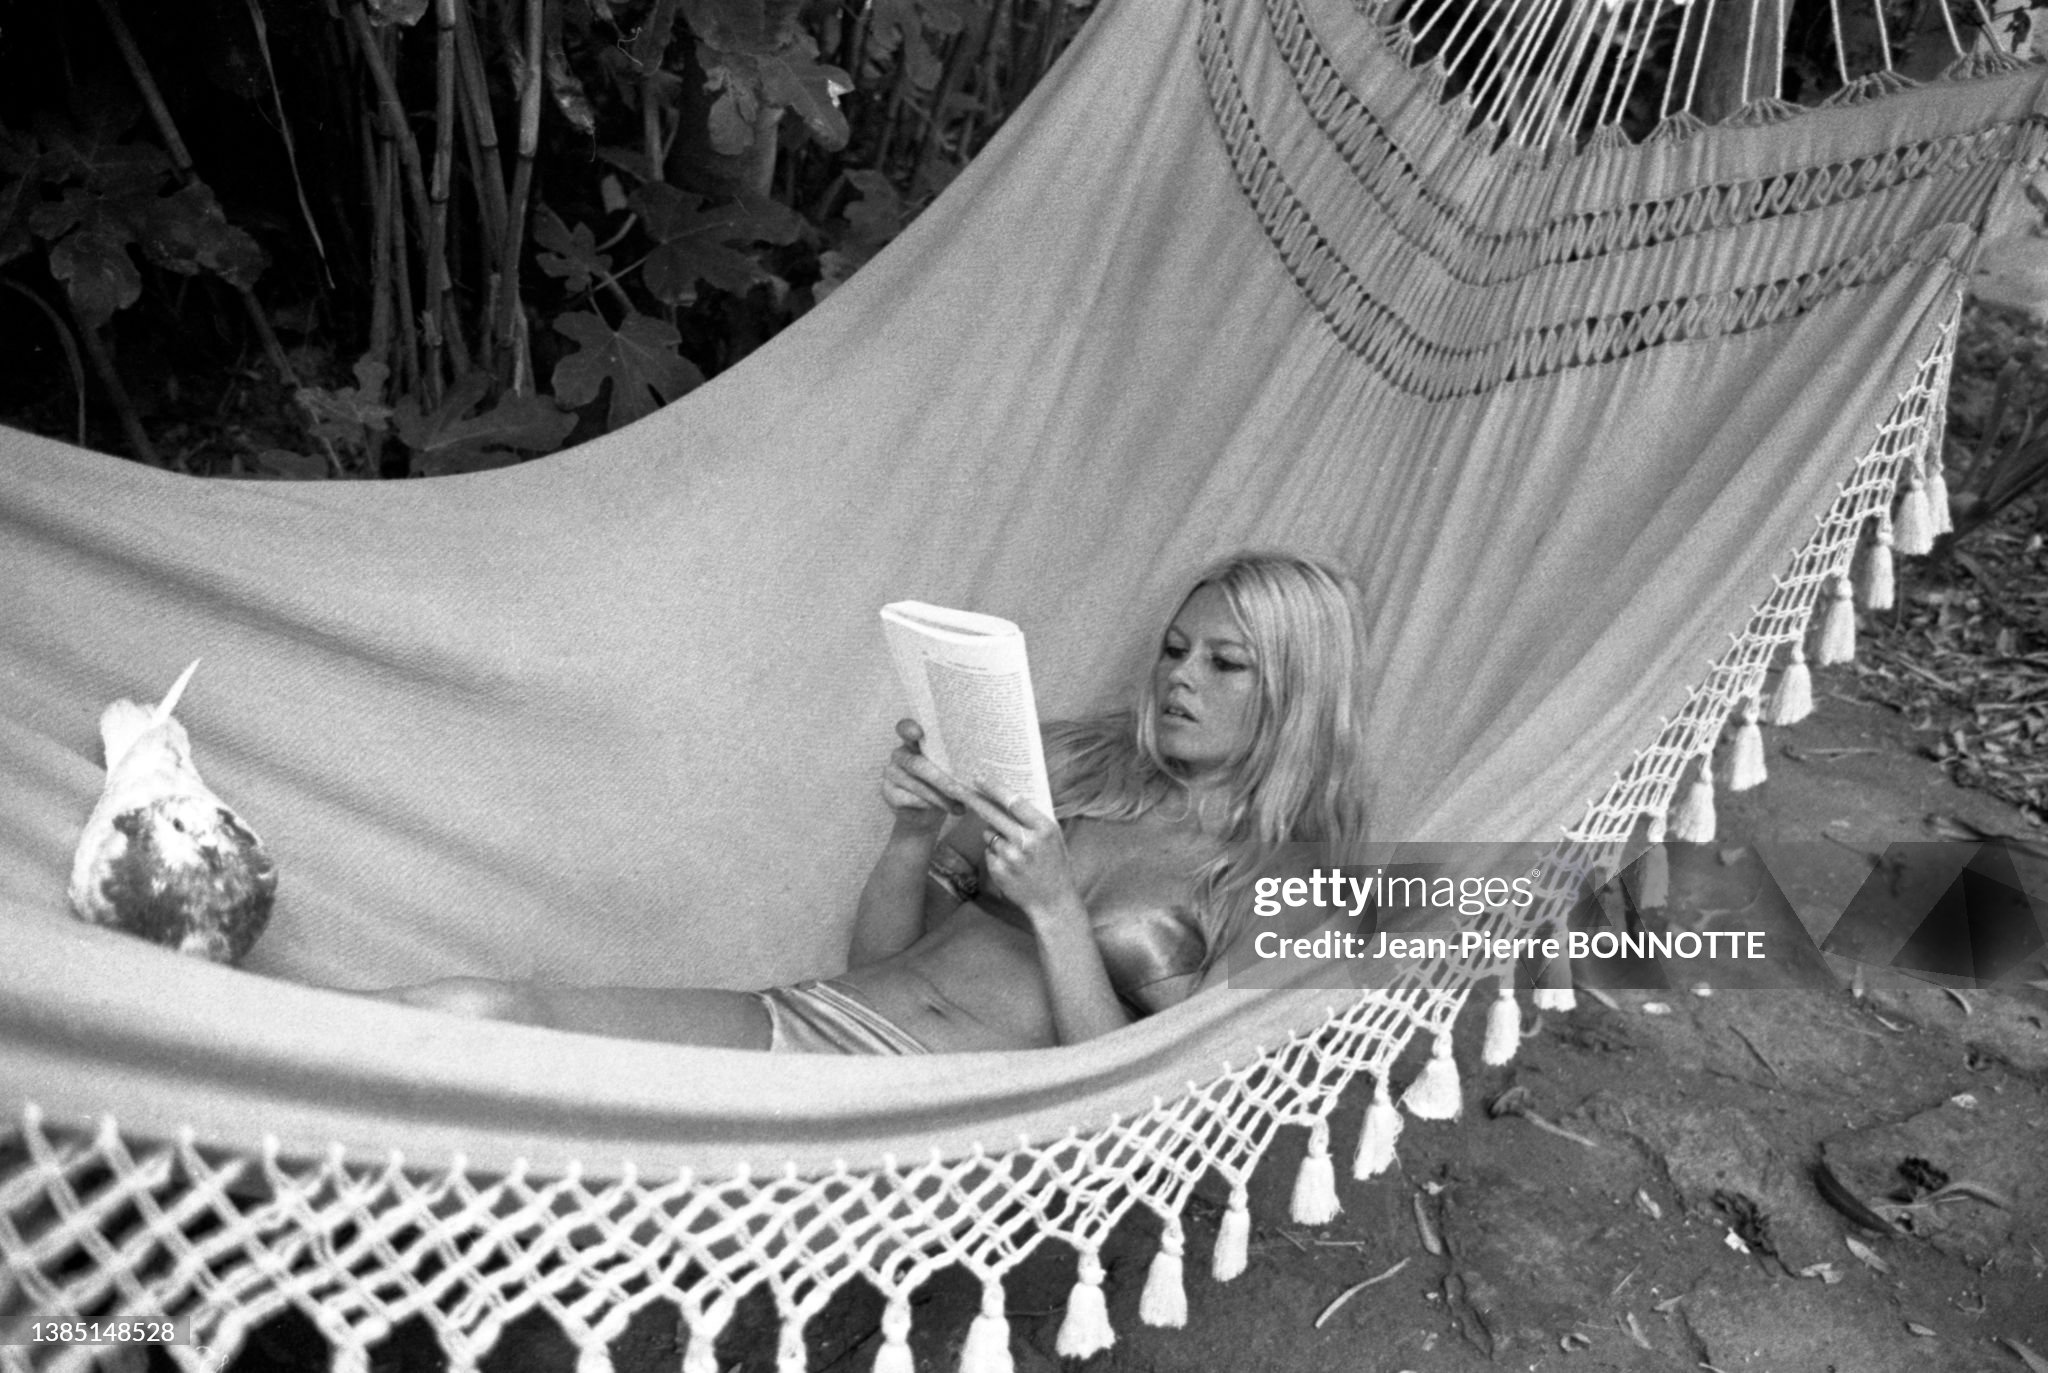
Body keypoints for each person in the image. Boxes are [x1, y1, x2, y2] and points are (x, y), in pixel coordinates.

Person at [377, 551, 1371, 1052]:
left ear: (1295, 690)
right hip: (818, 1019)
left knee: (497, 1036)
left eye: (1225, 662)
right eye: (1174, 648)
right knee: (484, 1013)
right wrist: (910, 834)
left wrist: (1056, 906)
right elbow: (878, 962)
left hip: (917, 1109)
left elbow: (1154, 1102)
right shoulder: (1076, 765)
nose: (1180, 676)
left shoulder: (1293, 882)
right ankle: (277, 1063)